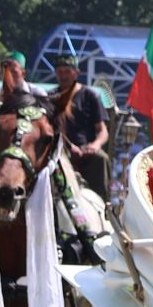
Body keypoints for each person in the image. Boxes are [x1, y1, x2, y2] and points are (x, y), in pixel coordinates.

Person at [50, 57, 111, 200]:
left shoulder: (90, 96)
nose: (63, 76)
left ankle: (103, 205)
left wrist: (95, 145)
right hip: (60, 147)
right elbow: (51, 128)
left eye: (67, 72)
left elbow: (102, 130)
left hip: (86, 150)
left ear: (76, 73)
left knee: (102, 158)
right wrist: (69, 146)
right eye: (60, 72)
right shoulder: (51, 97)